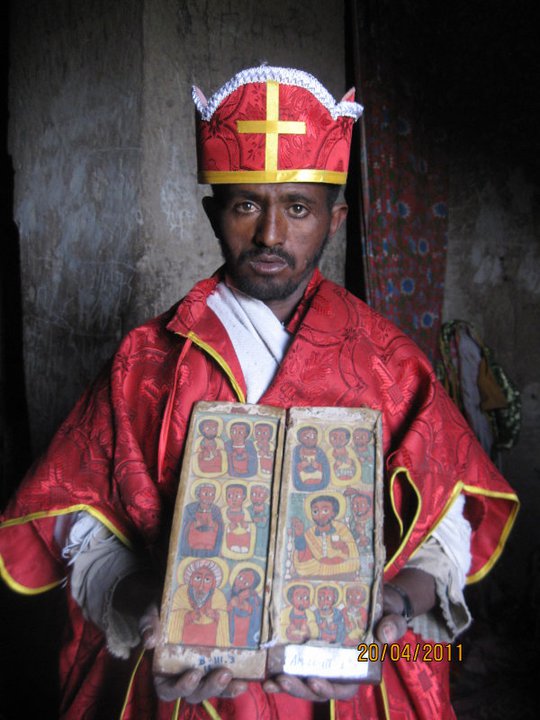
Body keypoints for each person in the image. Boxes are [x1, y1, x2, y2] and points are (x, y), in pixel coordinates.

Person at [0, 64, 518, 719]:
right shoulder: (147, 364)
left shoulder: (390, 364)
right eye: (247, 204)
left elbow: (445, 532)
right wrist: (144, 609)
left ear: (336, 217)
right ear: (213, 211)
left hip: (345, 683)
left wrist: (392, 606)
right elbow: (83, 531)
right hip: (190, 686)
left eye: (298, 207)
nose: (271, 235)